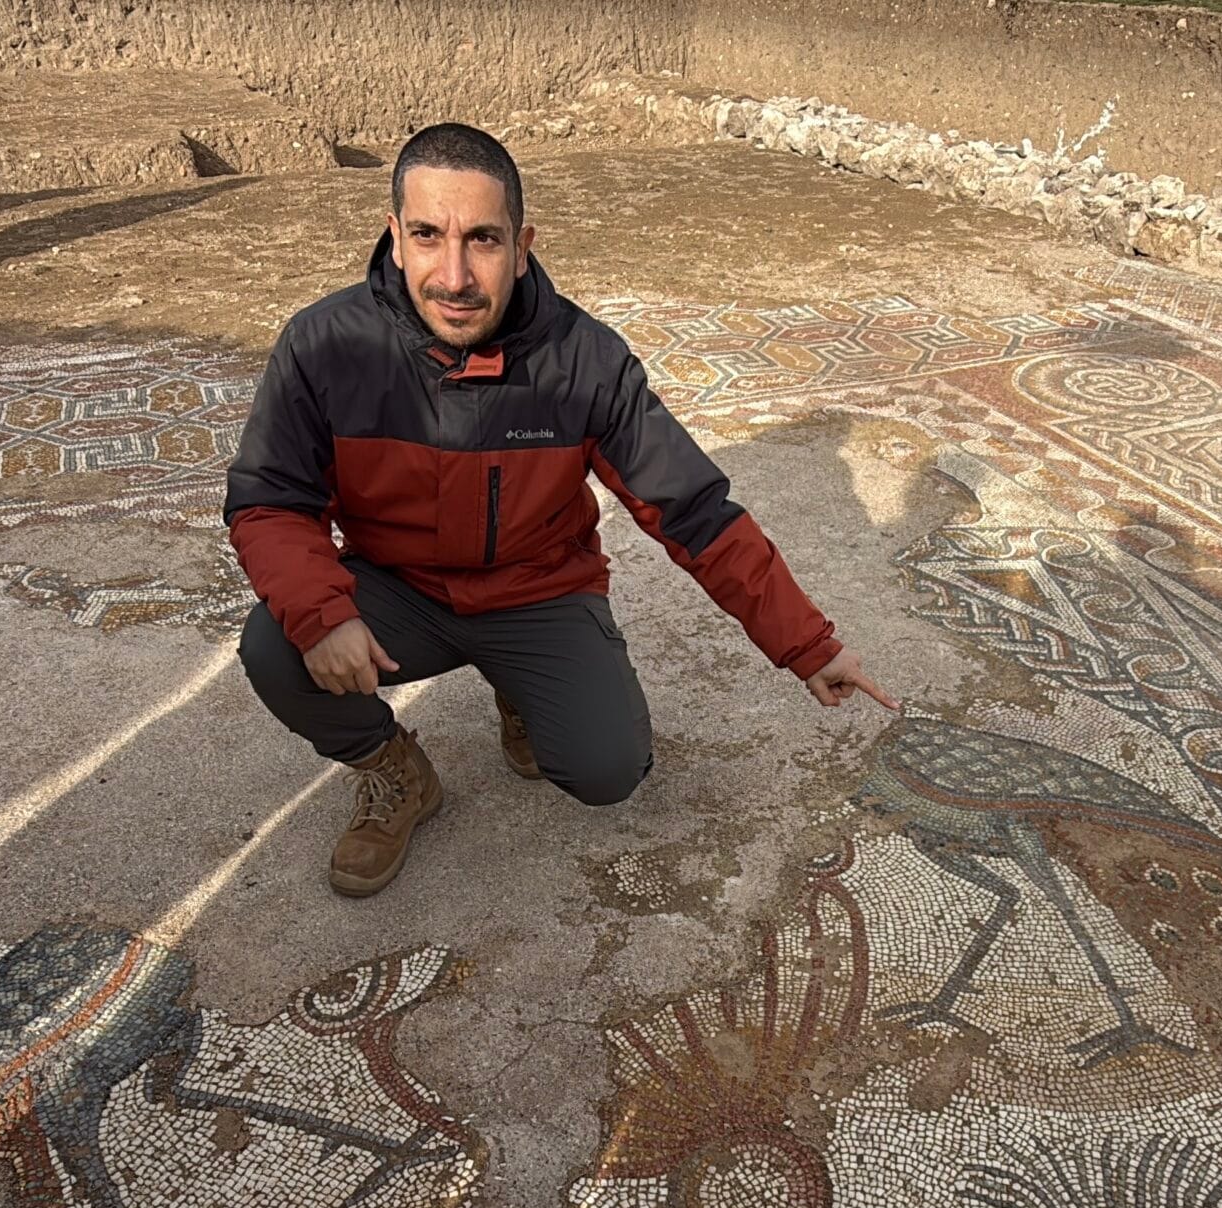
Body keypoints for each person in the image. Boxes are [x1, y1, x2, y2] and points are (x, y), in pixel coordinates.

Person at [226, 123, 899, 898]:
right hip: (398, 590)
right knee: (278, 645)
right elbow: (271, 498)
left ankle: (522, 691)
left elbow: (692, 509)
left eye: (482, 239)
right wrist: (322, 613)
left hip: (537, 593)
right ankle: (393, 769)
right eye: (427, 236)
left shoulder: (587, 360)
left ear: (522, 246)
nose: (454, 275)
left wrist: (806, 644)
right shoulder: (322, 346)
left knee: (609, 770)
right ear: (396, 238)